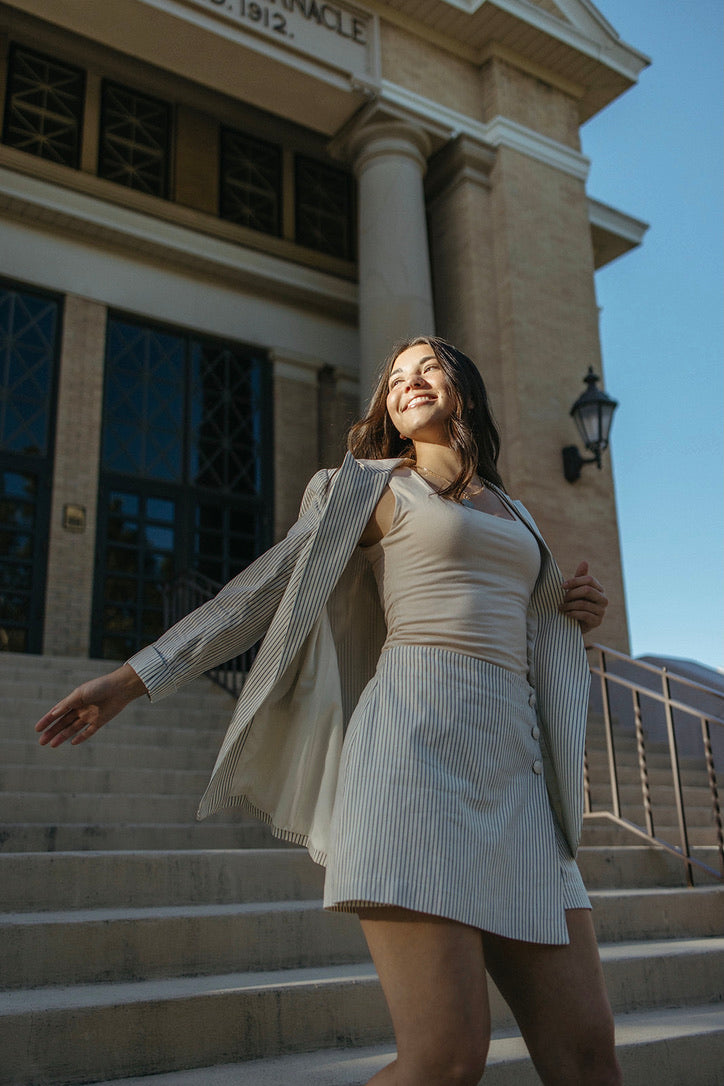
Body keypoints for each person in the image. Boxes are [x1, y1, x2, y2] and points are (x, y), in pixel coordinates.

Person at [35, 336, 618, 1086]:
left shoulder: (518, 511)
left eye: (427, 367)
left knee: (590, 1057)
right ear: (387, 409)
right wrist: (131, 678)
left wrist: (573, 613)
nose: (410, 382)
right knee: (445, 1062)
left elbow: (519, 621)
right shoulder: (371, 488)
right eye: (397, 377)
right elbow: (260, 590)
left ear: (463, 388)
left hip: (519, 781)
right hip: (414, 764)